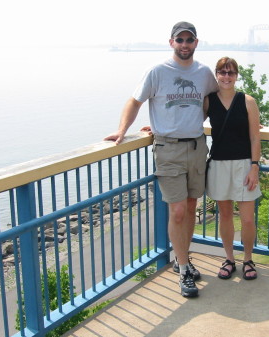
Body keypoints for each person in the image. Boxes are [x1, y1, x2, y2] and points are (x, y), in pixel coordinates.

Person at [104, 21, 218, 298]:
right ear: (171, 43)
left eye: (189, 40)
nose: (185, 44)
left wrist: (251, 120)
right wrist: (122, 130)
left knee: (191, 207)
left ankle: (185, 259)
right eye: (180, 40)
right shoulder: (157, 71)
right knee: (178, 211)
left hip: (196, 146)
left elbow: (216, 101)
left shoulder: (204, 73)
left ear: (196, 43)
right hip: (168, 150)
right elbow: (135, 101)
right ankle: (181, 268)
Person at [203, 57, 262, 281]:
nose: (226, 77)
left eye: (231, 73)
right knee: (225, 215)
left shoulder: (248, 101)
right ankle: (229, 258)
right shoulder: (208, 101)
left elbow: (255, 137)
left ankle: (248, 259)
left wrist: (254, 167)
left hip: (244, 165)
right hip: (218, 164)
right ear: (216, 74)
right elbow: (189, 121)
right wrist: (159, 126)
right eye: (222, 72)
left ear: (237, 76)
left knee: (247, 218)